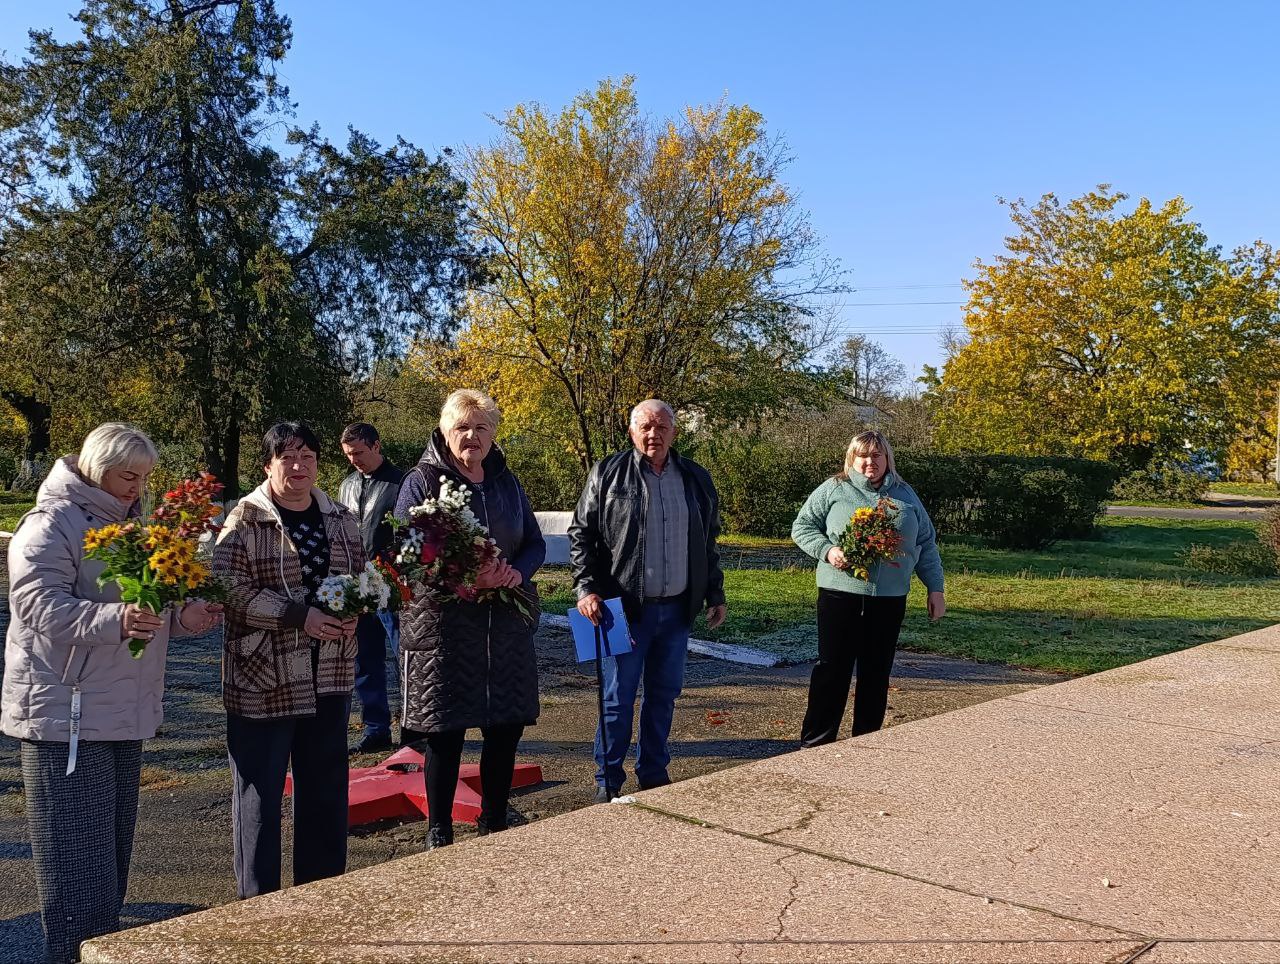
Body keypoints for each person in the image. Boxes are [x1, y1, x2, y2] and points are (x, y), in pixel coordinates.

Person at [2, 423, 223, 964]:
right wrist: (115, 620)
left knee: (109, 866)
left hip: (123, 712)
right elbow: (35, 603)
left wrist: (182, 615)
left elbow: (148, 598)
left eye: (144, 479)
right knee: (76, 873)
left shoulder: (129, 524)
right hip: (64, 717)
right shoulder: (51, 522)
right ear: (97, 467)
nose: (136, 488)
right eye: (128, 476)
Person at [213, 422, 364, 898]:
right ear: (268, 465)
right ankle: (257, 905)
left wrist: (357, 610)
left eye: (308, 458)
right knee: (260, 795)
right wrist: (299, 617)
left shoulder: (341, 517)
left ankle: (319, 898)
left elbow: (360, 577)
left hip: (329, 670)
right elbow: (230, 590)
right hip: (265, 677)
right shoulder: (244, 520)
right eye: (287, 458)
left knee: (323, 790)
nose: (299, 467)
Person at [394, 389, 545, 849]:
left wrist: (516, 572)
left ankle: (494, 819)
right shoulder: (420, 482)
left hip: (504, 623)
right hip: (444, 625)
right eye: (462, 427)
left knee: (504, 724)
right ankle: (439, 830)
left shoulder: (505, 482)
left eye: (481, 428)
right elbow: (407, 554)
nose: (472, 437)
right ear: (445, 430)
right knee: (445, 729)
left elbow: (534, 542)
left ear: (493, 433)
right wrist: (468, 579)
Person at [569, 399, 727, 802]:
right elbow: (581, 534)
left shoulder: (695, 478)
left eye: (661, 426)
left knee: (663, 695)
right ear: (632, 432)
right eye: (645, 427)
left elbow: (707, 542)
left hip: (677, 611)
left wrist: (715, 592)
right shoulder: (607, 473)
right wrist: (586, 588)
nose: (653, 434)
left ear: (674, 431)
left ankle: (654, 774)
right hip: (622, 611)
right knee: (617, 701)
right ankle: (608, 782)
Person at [791, 429, 946, 746]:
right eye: (862, 455)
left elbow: (925, 543)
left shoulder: (905, 495)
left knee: (876, 673)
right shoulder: (834, 489)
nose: (869, 462)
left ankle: (866, 743)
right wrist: (829, 550)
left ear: (888, 458)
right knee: (833, 670)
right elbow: (802, 526)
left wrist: (935, 587)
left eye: (876, 455)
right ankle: (816, 743)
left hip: (889, 599)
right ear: (851, 458)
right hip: (840, 594)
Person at [337, 421, 404, 754]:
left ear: (377, 446)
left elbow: (411, 536)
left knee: (405, 657)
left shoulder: (402, 483)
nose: (353, 460)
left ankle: (414, 726)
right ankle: (376, 728)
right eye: (348, 455)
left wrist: (393, 571)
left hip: (394, 587)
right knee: (365, 661)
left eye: (359, 453)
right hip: (357, 588)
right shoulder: (346, 486)